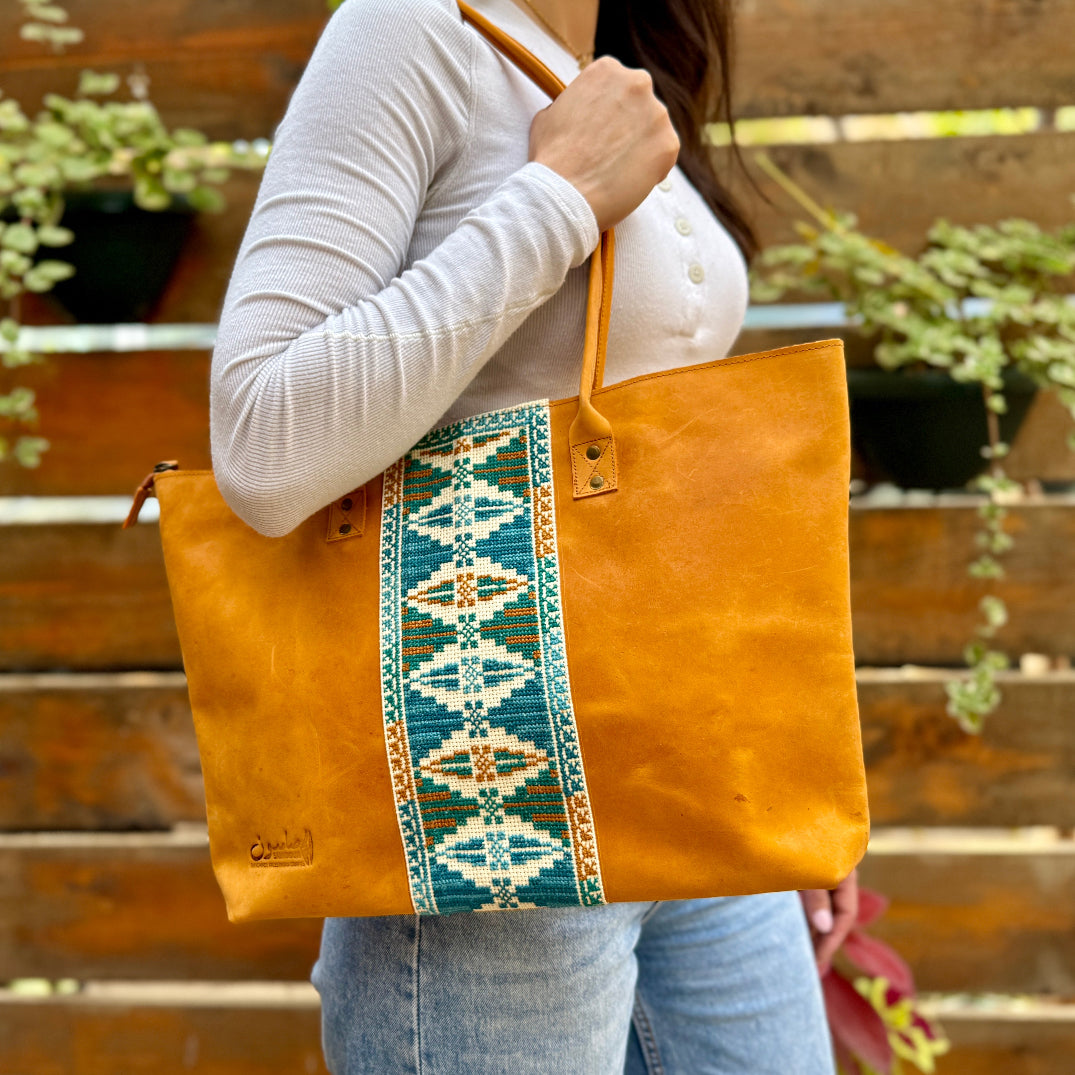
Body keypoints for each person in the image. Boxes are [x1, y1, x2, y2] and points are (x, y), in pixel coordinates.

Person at [209, 0, 860, 1070]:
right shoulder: (407, 29)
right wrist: (554, 200)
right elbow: (264, 443)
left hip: (693, 780)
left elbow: (665, 480)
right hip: (489, 802)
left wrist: (784, 759)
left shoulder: (614, 58)